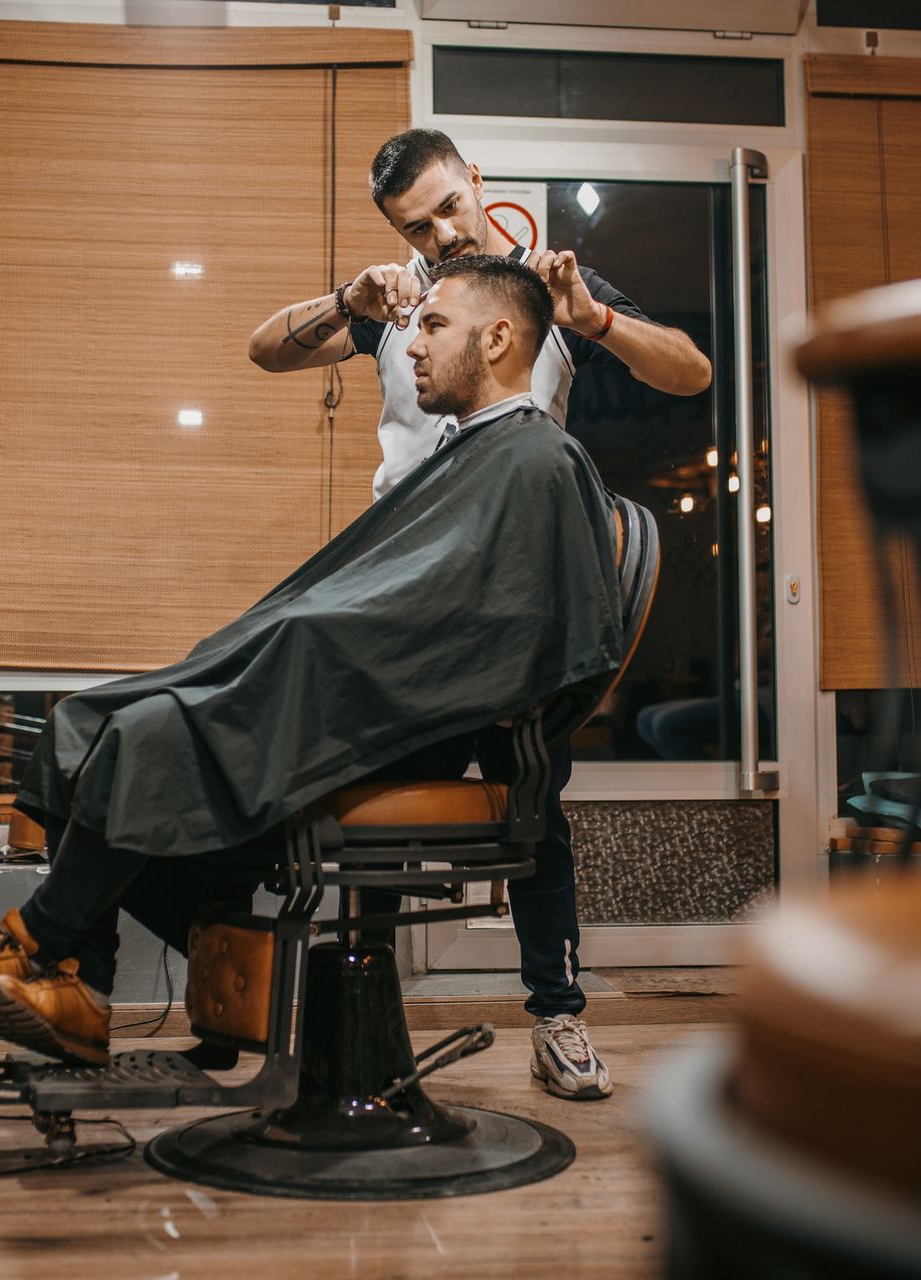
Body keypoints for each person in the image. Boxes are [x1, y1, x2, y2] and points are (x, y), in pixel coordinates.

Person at [0, 256, 628, 1081]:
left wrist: (307, 638)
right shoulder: (473, 456)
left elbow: (524, 640)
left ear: (496, 339)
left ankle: (31, 941)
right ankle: (79, 994)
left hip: (393, 727)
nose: (413, 345)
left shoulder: (539, 461)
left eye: (433, 325)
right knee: (83, 727)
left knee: (143, 739)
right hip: (348, 696)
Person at [244, 128, 712, 1099]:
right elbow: (264, 351)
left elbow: (691, 373)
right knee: (368, 793)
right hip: (401, 593)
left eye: (450, 207)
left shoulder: (545, 292)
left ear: (477, 182)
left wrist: (594, 320)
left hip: (510, 596)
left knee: (531, 803)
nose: (443, 235)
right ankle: (367, 1017)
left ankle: (559, 1016)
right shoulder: (399, 305)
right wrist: (348, 301)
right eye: (417, 227)